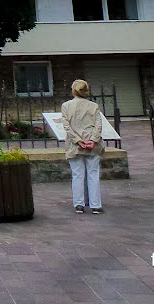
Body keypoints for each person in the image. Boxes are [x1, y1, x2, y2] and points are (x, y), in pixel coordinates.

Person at [61, 79, 105, 214]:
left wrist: (78, 140)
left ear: (73, 90)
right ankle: (95, 204)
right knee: (93, 174)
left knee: (77, 174)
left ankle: (78, 204)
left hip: (74, 146)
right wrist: (93, 140)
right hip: (93, 145)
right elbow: (98, 125)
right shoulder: (94, 106)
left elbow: (67, 126)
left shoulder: (66, 106)